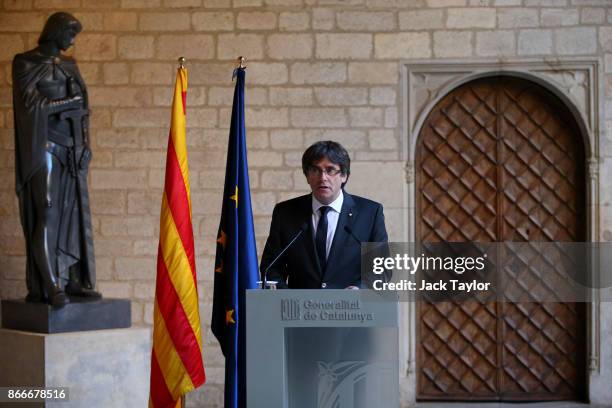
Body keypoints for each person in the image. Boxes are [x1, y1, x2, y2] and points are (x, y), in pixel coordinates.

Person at [12, 12, 100, 307]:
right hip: (43, 148)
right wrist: (65, 104)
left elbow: (83, 108)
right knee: (47, 211)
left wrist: (85, 144)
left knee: (72, 214)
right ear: (56, 31)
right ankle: (49, 284)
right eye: (70, 34)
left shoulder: (70, 66)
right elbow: (30, 107)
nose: (72, 41)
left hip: (71, 148)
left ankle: (73, 279)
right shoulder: (25, 62)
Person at [260, 141, 388, 289]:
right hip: (297, 309)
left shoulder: (370, 213)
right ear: (307, 176)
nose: (323, 178)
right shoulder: (285, 213)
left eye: (330, 170)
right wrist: (286, 298)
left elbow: (381, 269)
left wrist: (360, 289)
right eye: (315, 170)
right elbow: (271, 268)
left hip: (351, 309)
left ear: (344, 176)